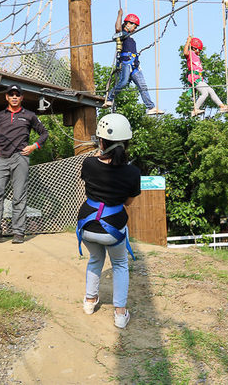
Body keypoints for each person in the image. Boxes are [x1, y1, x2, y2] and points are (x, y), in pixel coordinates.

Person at [76, 113, 141, 329]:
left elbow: (94, 168)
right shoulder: (132, 172)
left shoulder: (89, 164)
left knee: (95, 259)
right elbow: (128, 202)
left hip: (87, 225)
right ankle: (120, 314)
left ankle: (89, 302)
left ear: (101, 142)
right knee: (120, 264)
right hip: (112, 229)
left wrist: (99, 152)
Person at [0, 85, 48, 244]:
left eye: (17, 95)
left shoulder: (29, 115)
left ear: (21, 98)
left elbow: (44, 133)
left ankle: (18, 232)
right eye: (11, 94)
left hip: (20, 158)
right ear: (6, 97)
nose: (14, 97)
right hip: (1, 159)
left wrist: (34, 146)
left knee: (19, 195)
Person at [102, 10, 164, 115]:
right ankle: (109, 98)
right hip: (126, 63)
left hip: (134, 65)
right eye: (134, 26)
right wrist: (120, 15)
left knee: (142, 86)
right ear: (128, 24)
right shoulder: (122, 34)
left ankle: (151, 107)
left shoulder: (130, 38)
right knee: (123, 82)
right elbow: (117, 28)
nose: (135, 28)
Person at [183, 37, 228, 117]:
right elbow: (185, 52)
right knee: (205, 93)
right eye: (198, 50)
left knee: (211, 90)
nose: (199, 52)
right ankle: (195, 109)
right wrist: (188, 41)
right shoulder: (190, 53)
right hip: (194, 78)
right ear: (194, 48)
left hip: (199, 78)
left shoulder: (196, 56)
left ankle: (222, 106)